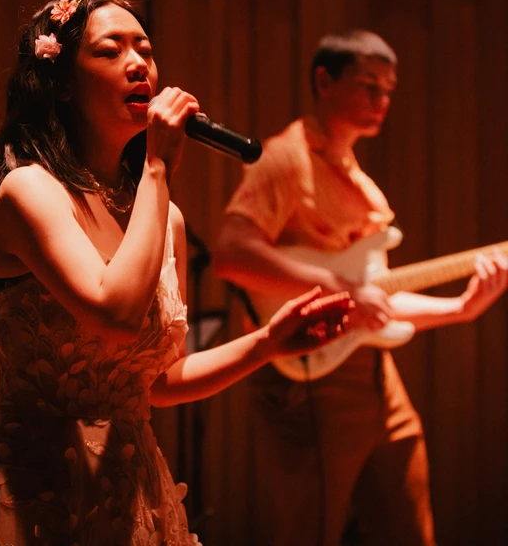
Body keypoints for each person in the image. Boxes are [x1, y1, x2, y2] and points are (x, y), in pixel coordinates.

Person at [0, 0, 353, 546]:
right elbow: (115, 316)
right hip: (45, 494)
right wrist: (159, 167)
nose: (139, 63)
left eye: (144, 48)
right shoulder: (30, 191)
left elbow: (158, 382)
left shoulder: (165, 218)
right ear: (61, 83)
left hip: (134, 487)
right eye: (111, 50)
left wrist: (268, 342)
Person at [212, 29, 508, 546]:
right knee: (310, 532)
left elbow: (375, 296)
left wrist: (461, 308)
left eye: (389, 90)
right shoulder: (285, 159)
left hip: (374, 371)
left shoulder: (356, 178)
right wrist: (339, 285)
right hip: (309, 374)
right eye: (369, 85)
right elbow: (232, 254)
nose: (381, 100)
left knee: (410, 527)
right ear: (324, 81)